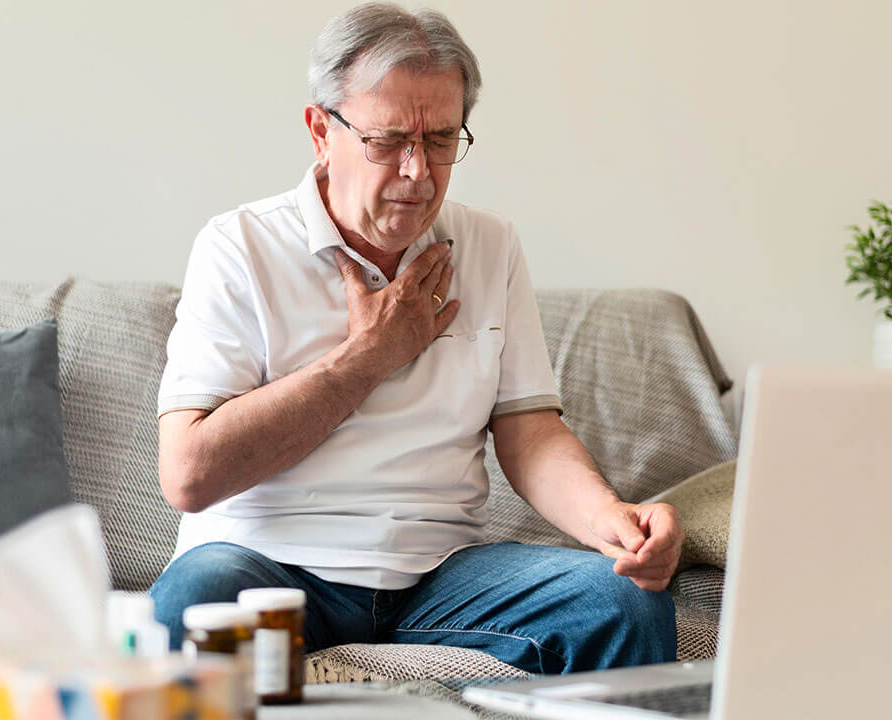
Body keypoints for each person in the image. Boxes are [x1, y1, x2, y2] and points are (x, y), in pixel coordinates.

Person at [151, 2, 683, 674]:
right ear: (321, 130)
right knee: (191, 601)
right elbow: (190, 474)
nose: (418, 173)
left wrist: (614, 523)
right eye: (389, 139)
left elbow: (529, 432)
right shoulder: (240, 246)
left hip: (439, 577)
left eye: (440, 141)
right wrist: (367, 358)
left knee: (624, 599)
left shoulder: (489, 244)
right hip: (268, 565)